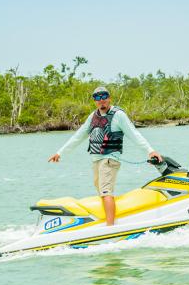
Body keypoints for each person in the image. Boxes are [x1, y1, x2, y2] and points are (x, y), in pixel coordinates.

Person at [48, 86, 162, 226]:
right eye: (97, 98)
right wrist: (60, 152)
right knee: (102, 192)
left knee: (106, 192)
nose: (101, 100)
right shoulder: (93, 116)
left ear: (109, 98)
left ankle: (110, 228)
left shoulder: (118, 115)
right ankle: (108, 221)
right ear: (94, 101)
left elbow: (134, 134)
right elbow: (78, 136)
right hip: (96, 160)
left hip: (110, 159)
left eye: (104, 97)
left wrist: (150, 150)